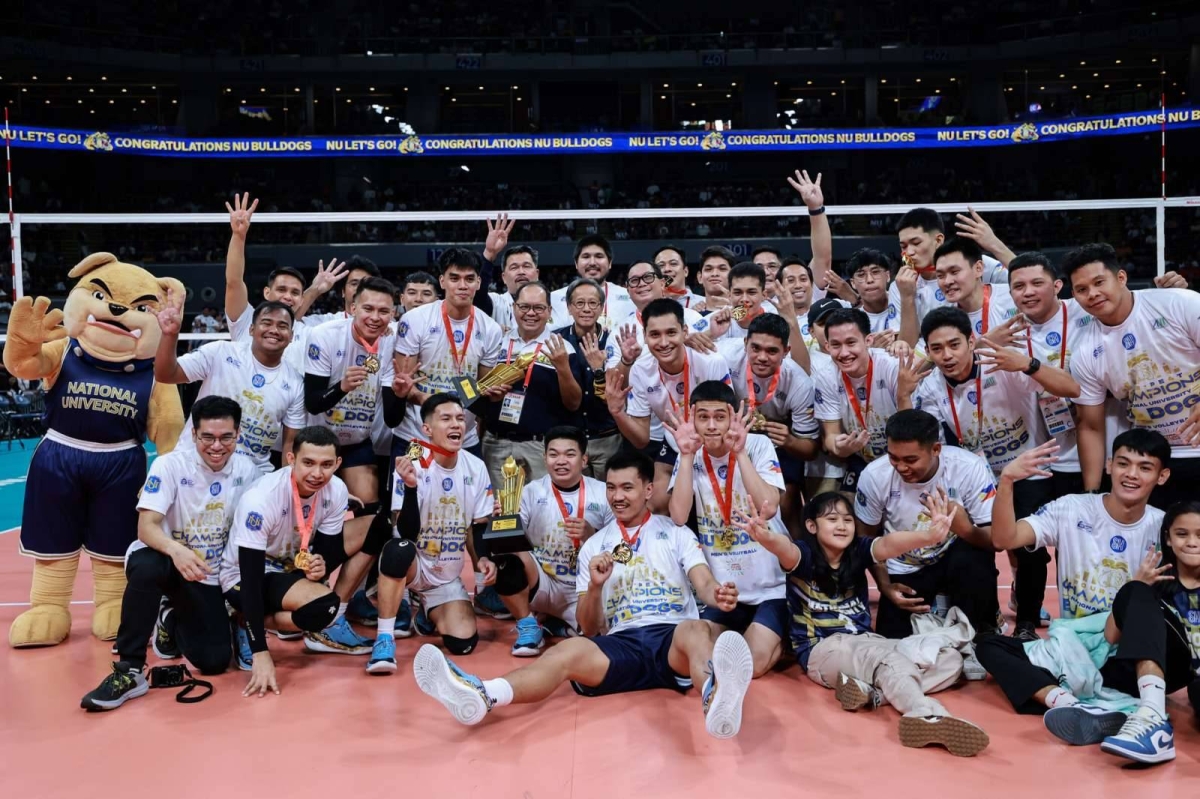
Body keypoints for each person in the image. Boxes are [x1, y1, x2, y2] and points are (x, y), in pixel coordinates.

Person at [411, 451, 755, 740]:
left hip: (671, 638)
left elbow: (703, 581)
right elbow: (590, 628)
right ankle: (485, 694)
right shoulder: (594, 546)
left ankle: (714, 695)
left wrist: (718, 595)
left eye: (627, 488)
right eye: (611, 488)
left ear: (649, 489)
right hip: (622, 645)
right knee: (569, 649)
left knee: (696, 630)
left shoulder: (675, 532)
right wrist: (594, 586)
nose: (617, 496)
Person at [978, 433, 1192, 764]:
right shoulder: (1071, 508)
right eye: (1123, 463)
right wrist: (1006, 480)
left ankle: (1151, 717)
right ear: (1108, 465)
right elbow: (1004, 538)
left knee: (1135, 592)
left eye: (1144, 467)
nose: (1131, 474)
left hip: (1136, 656)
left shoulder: (1167, 529)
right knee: (989, 645)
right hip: (1082, 651)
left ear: (1162, 476)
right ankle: (1071, 706)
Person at [737, 491, 991, 756]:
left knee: (950, 659)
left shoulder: (858, 551)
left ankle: (872, 694)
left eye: (847, 519)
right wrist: (766, 536)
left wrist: (928, 536)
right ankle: (924, 713)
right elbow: (784, 548)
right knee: (888, 661)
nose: (842, 525)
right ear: (811, 526)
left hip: (868, 641)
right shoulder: (803, 556)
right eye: (832, 519)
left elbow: (890, 544)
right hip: (823, 650)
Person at [906, 306, 1081, 639]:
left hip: (1026, 471)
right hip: (975, 478)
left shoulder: (1003, 366)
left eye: (955, 344)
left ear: (973, 341)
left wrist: (1029, 364)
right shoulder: (929, 389)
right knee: (970, 543)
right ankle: (981, 619)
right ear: (927, 351)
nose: (947, 355)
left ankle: (1027, 622)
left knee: (1027, 546)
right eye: (937, 348)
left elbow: (1072, 389)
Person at [81, 397, 262, 711]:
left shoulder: (247, 470)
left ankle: (169, 617)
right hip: (166, 558)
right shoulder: (170, 465)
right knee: (146, 565)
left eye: (226, 437)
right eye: (207, 437)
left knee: (215, 661)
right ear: (193, 434)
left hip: (207, 575)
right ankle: (130, 670)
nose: (217, 446)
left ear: (238, 434)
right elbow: (146, 528)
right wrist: (177, 551)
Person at [304, 277, 405, 647]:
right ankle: (302, 594)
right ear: (351, 309)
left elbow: (392, 418)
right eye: (368, 309)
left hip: (359, 442)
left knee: (376, 521)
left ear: (393, 315)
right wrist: (341, 388)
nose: (375, 317)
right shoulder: (327, 336)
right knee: (304, 523)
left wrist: (400, 393)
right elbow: (314, 401)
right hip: (318, 443)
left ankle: (346, 601)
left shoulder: (393, 342)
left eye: (384, 311)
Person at [666, 381, 788, 678]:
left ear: (733, 417)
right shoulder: (689, 454)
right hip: (725, 590)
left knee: (752, 665)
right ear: (692, 418)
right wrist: (684, 457)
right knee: (701, 648)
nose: (711, 425)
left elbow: (768, 506)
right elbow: (679, 515)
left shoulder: (757, 445)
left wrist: (741, 453)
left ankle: (787, 639)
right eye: (703, 417)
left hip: (770, 586)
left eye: (719, 417)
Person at [1064, 242, 1200, 508]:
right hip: (1154, 459)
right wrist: (1091, 495)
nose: (1092, 294)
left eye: (1099, 282)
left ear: (1121, 277)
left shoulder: (1178, 303)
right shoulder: (1084, 352)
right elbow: (1090, 427)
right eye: (1081, 289)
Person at [366, 394, 495, 673]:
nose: (456, 424)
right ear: (427, 429)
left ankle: (427, 614)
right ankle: (384, 639)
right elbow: (405, 531)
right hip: (413, 563)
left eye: (460, 418)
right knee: (398, 549)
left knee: (463, 643)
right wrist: (410, 487)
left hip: (445, 575)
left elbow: (477, 525)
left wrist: (482, 560)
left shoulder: (476, 466)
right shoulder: (411, 459)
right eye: (446, 418)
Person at [220, 426, 353, 696]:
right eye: (308, 463)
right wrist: (261, 653)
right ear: (291, 459)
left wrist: (319, 566)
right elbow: (251, 578)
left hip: (288, 567)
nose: (317, 474)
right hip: (241, 577)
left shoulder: (336, 490)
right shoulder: (262, 499)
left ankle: (245, 618)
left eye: (327, 464)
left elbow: (326, 550)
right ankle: (246, 623)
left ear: (338, 464)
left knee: (324, 610)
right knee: (325, 604)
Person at [855, 410, 1000, 639]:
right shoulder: (874, 476)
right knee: (893, 641)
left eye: (911, 460)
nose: (901, 467)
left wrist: (964, 528)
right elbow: (865, 543)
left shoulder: (969, 467)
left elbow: (996, 541)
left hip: (953, 556)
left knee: (975, 559)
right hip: (904, 564)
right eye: (894, 457)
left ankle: (980, 629)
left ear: (936, 449)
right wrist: (885, 586)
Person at [488, 426, 614, 655]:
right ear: (544, 458)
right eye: (554, 454)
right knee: (506, 558)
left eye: (570, 454)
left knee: (596, 638)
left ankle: (556, 624)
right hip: (542, 581)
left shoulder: (603, 493)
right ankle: (528, 624)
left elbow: (620, 548)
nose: (561, 461)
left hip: (583, 587)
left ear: (584, 460)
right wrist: (502, 522)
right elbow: (510, 541)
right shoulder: (530, 491)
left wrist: (591, 534)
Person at [155, 298, 306, 473]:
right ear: (251, 329)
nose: (274, 330)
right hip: (194, 465)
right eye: (266, 323)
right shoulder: (221, 352)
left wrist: (287, 486)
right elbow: (165, 374)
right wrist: (169, 335)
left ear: (291, 335)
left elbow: (290, 443)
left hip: (252, 477)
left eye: (282, 326)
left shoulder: (295, 383)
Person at [608, 299, 732, 508]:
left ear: (685, 332)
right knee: (655, 504)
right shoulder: (640, 370)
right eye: (655, 335)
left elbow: (725, 419)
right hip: (674, 442)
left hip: (714, 442)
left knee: (712, 503)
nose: (664, 342)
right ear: (645, 336)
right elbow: (641, 440)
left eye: (671, 333)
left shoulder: (711, 361)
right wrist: (618, 412)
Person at [394, 248, 504, 459]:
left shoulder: (490, 329)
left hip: (464, 438)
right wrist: (436, 405)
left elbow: (482, 391)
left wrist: (493, 395)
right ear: (442, 282)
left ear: (479, 283)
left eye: (469, 279)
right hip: (417, 433)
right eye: (454, 278)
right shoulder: (415, 320)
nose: (462, 285)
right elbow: (405, 384)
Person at [222, 193, 348, 372]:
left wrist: (314, 290)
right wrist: (238, 236)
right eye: (281, 289)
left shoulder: (307, 332)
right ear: (267, 292)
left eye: (295, 293)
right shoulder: (245, 320)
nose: (288, 296)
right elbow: (234, 281)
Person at [717, 313, 819, 528]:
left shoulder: (799, 382)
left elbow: (810, 449)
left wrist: (790, 441)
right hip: (731, 436)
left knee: (786, 502)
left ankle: (792, 556)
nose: (762, 357)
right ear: (745, 343)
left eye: (772, 351)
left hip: (779, 444)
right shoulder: (723, 356)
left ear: (786, 352)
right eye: (756, 348)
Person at [480, 281, 583, 490]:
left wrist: (562, 367)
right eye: (524, 307)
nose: (531, 313)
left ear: (549, 312)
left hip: (539, 448)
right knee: (502, 515)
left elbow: (574, 403)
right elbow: (480, 392)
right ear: (513, 308)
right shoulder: (497, 342)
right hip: (496, 443)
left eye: (538, 308)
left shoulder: (562, 347)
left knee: (539, 514)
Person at [812, 308, 904, 491]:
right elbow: (831, 435)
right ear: (827, 346)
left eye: (851, 342)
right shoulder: (825, 376)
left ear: (868, 340)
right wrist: (839, 447)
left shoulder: (893, 367)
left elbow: (910, 427)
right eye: (836, 345)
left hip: (902, 458)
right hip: (860, 460)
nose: (844, 353)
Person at [893, 208, 1012, 347]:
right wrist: (907, 297)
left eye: (916, 243)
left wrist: (994, 245)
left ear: (938, 240)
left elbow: (1028, 277)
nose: (909, 252)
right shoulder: (899, 285)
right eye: (903, 246)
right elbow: (906, 349)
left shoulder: (971, 262)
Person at [555, 278, 621, 479]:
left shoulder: (613, 341)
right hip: (569, 441)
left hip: (607, 438)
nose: (586, 309)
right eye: (579, 303)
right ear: (569, 307)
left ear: (601, 307)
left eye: (593, 303)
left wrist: (598, 369)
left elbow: (616, 396)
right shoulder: (555, 341)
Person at [549, 234, 633, 331]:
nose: (592, 262)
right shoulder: (554, 298)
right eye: (586, 256)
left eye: (599, 256)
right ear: (576, 263)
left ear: (610, 263)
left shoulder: (629, 297)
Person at [654, 245, 704, 309]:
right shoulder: (645, 305)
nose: (667, 269)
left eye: (673, 264)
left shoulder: (704, 304)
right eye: (661, 265)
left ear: (685, 271)